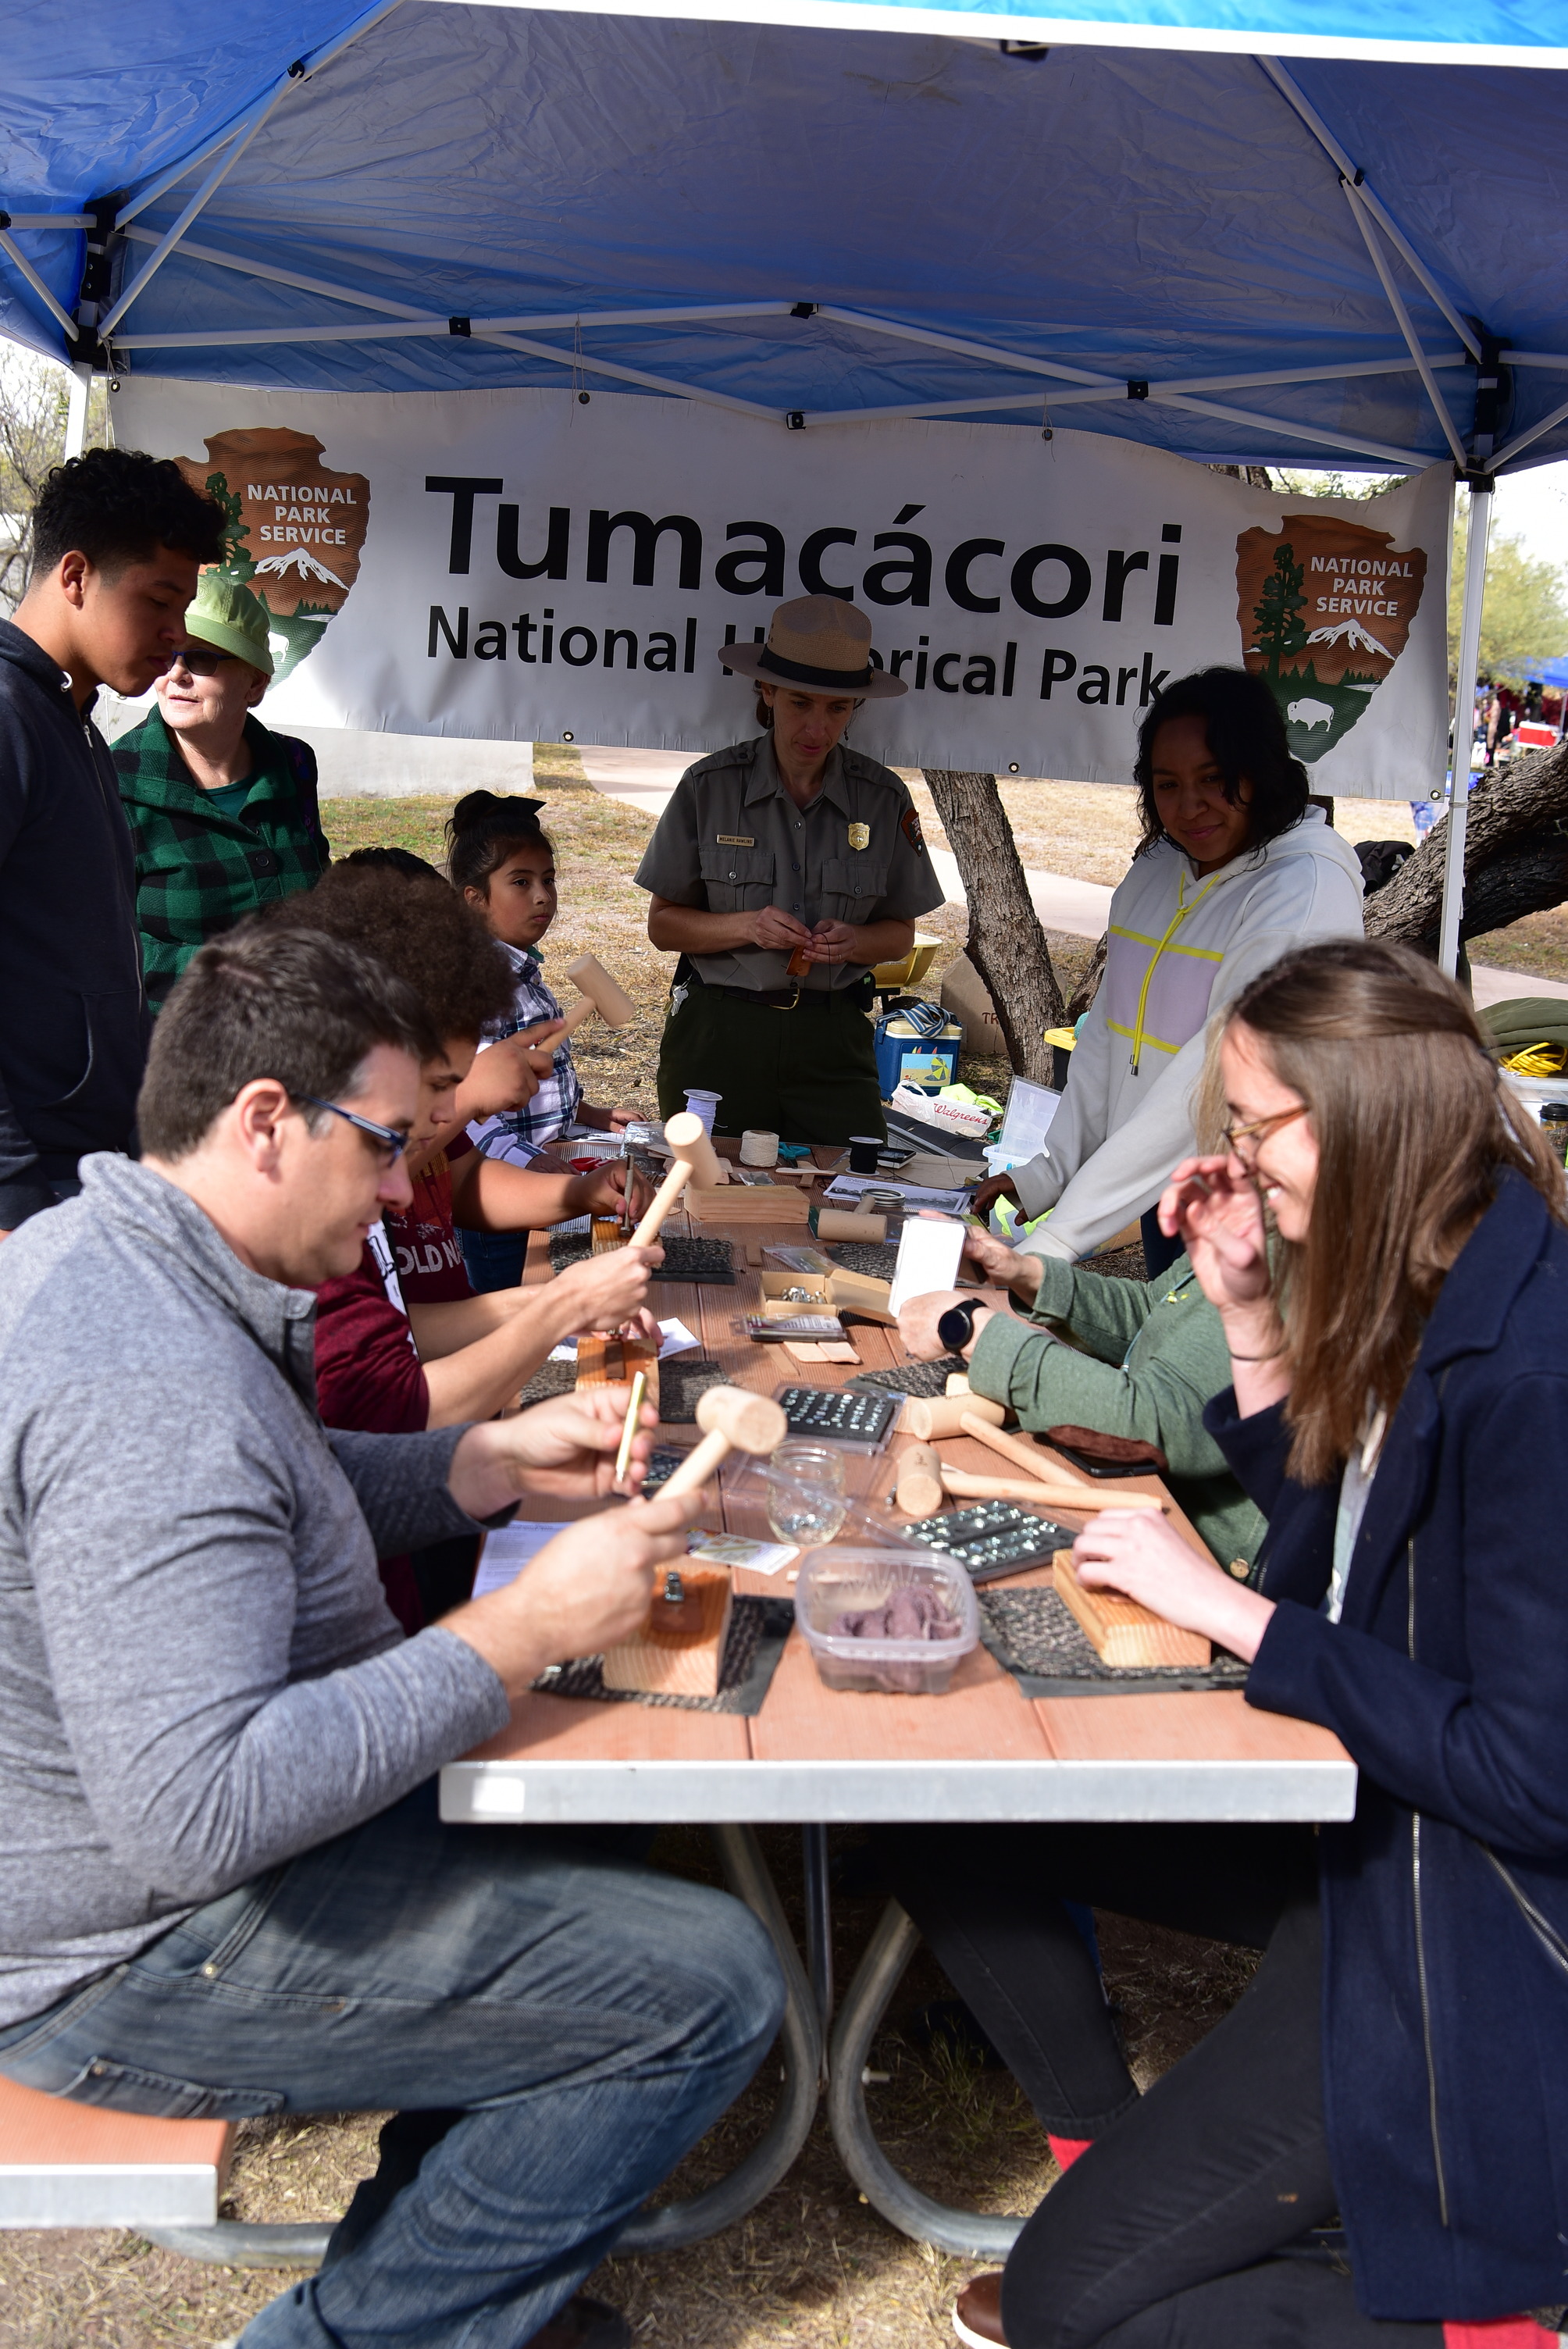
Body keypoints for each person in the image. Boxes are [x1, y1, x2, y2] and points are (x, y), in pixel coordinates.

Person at [0, 921, 784, 2349]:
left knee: (598, 1826)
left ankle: (432, 2257)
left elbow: (267, 1486)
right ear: (259, 1121)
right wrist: (516, 1626)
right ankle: (355, 2333)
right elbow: (198, 1808)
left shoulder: (119, 1250)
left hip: (142, 1877)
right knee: (708, 1983)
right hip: (119, 1950)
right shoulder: (145, 1382)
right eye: (374, 1144)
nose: (385, 1194)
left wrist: (471, 1468)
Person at [912, 939, 1568, 2349]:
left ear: (1361, 1116)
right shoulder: (1426, 1264)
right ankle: (1123, 2164)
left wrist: (1240, 1617)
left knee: (1071, 2312)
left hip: (1454, 1902)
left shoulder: (1529, 1367)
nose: (1234, 1158)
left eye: (1252, 1125)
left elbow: (1528, 1774)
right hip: (1351, 1823)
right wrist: (1251, 1324)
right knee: (949, 1791)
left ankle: (1482, 2326)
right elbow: (1340, 1552)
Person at [277, 864, 661, 1627]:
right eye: (436, 1092)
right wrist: (527, 1626)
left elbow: (389, 1361)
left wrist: (507, 1449)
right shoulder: (296, 1243)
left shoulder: (334, 1204)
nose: (399, 1184)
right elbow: (399, 1407)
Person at [973, 667, 1364, 1278]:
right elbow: (1107, 1036)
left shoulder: (1304, 891)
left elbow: (1217, 1076)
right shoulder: (1158, 869)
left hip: (1259, 1212)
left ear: (1261, 770)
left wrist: (1064, 1235)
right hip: (1164, 1194)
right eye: (1167, 785)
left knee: (1216, 1373)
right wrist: (1045, 1175)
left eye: (1214, 779)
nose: (1189, 807)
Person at [0, 446, 223, 1232]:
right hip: (26, 1192)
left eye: (186, 605)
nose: (175, 633)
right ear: (74, 576)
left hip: (88, 1171)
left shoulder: (77, 727)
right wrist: (11, 1192)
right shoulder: (8, 716)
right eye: (159, 599)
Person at [635, 595, 944, 1142]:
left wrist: (854, 942)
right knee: (709, 1201)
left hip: (833, 1040)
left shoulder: (883, 798)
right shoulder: (710, 788)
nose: (817, 728)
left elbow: (900, 936)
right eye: (801, 703)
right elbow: (663, 927)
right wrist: (746, 926)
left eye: (837, 708)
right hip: (720, 1037)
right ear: (768, 691)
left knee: (845, 1200)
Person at [898, 1218, 1265, 1577]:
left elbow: (1162, 1424)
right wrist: (1026, 1273)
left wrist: (968, 1329)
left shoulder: (1296, 1249)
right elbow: (1155, 1312)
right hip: (1135, 1499)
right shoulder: (1262, 1210)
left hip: (1194, 1556)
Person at [447, 788, 640, 1290]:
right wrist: (533, 1162)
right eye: (521, 882)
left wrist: (587, 1114)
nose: (542, 896)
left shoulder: (528, 975)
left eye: (548, 880)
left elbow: (534, 1085)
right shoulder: (475, 989)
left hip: (543, 1180)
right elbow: (470, 1118)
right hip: (498, 1201)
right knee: (508, 1305)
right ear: (475, 898)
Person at [113, 572, 330, 1008]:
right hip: (176, 1050)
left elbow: (317, 888)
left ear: (254, 684)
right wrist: (244, 975)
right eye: (168, 654)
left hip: (303, 1037)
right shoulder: (113, 782)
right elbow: (103, 948)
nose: (176, 674)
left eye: (201, 659)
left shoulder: (294, 764)